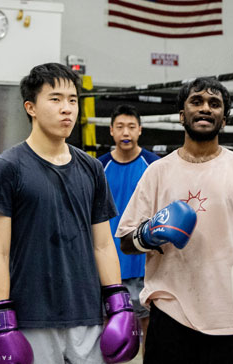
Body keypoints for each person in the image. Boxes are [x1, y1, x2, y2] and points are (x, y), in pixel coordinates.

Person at [0, 63, 138, 364]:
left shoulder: (91, 169)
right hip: (30, 316)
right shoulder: (5, 168)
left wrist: (119, 305)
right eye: (55, 99)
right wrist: (0, 316)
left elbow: (103, 244)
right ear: (31, 107)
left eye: (72, 100)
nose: (67, 109)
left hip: (87, 314)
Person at [116, 77, 233, 364]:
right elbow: (126, 240)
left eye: (214, 104)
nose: (205, 108)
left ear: (224, 119)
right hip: (171, 311)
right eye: (196, 102)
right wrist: (149, 234)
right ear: (182, 115)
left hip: (229, 314)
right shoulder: (157, 172)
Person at [98, 104, 160, 350]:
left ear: (140, 130)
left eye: (131, 127)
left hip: (143, 265)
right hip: (107, 264)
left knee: (150, 328)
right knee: (108, 329)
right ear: (111, 131)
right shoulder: (98, 167)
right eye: (120, 127)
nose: (126, 133)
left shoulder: (154, 166)